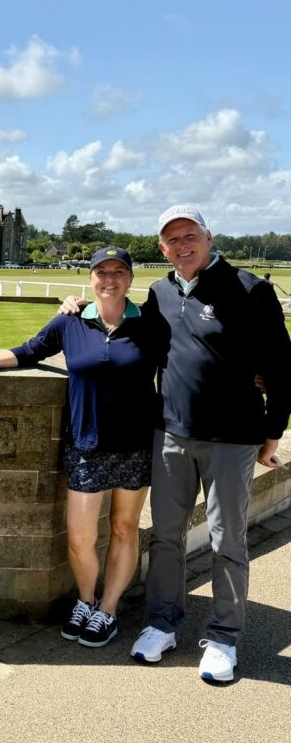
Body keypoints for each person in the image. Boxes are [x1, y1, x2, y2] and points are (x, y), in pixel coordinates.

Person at [0, 247, 159, 648]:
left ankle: (108, 609)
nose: (109, 279)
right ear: (90, 278)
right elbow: (30, 350)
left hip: (135, 444)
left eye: (118, 272)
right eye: (101, 272)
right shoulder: (70, 321)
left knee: (123, 528)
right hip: (85, 444)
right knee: (79, 537)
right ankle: (86, 600)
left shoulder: (150, 324)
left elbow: (187, 359)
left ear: (131, 279)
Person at [125, 205, 291, 682]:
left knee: (226, 540)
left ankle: (223, 638)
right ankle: (162, 624)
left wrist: (272, 431)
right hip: (171, 435)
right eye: (172, 239)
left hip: (232, 440)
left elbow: (281, 366)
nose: (182, 245)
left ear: (208, 237)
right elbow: (137, 342)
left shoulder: (250, 289)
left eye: (190, 235)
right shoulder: (160, 292)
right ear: (162, 248)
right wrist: (81, 311)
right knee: (166, 536)